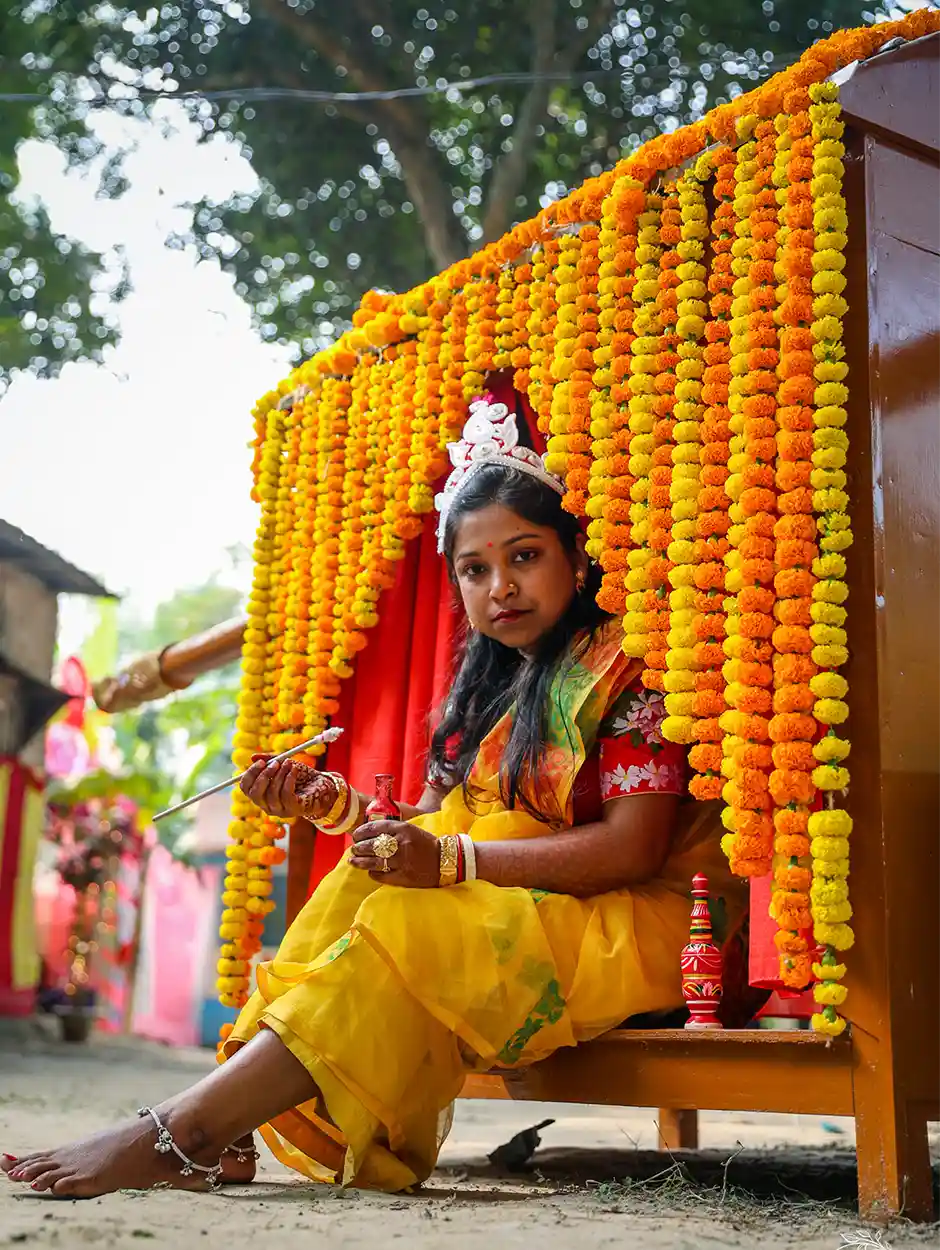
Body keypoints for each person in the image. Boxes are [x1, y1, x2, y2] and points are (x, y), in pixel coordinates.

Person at [2, 394, 744, 1198]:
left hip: (652, 921)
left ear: (575, 555)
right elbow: (432, 833)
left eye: (524, 557)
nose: (501, 587)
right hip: (531, 906)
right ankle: (226, 1132)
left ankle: (186, 1130)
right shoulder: (494, 687)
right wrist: (331, 806)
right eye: (475, 569)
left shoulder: (627, 671)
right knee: (364, 880)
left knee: (407, 911)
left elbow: (630, 850)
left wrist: (448, 860)